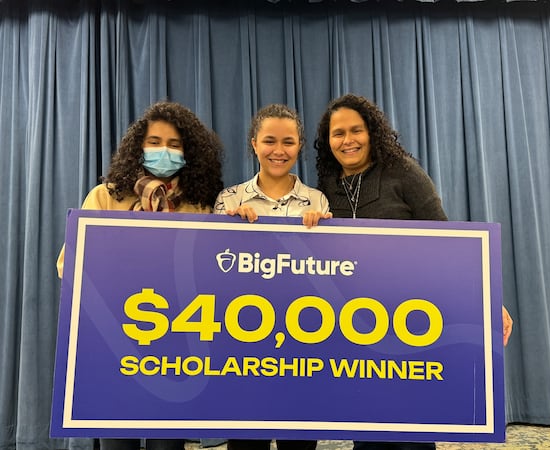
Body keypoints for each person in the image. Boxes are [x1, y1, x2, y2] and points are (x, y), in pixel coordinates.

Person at [314, 93, 514, 450]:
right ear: (327, 141)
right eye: (338, 133)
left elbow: (447, 240)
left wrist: (485, 299)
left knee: (413, 432)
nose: (348, 140)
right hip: (358, 329)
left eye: (356, 130)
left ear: (372, 132)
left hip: (412, 325)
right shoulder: (324, 188)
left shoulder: (403, 172)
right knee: (369, 432)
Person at [56, 101, 224, 450]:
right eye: (155, 141)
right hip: (115, 342)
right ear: (138, 147)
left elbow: (213, 269)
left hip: (177, 347)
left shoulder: (200, 204)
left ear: (188, 152)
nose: (164, 150)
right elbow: (69, 265)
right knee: (118, 441)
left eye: (175, 145)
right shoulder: (106, 196)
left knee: (168, 445)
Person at [214, 103, 331, 450]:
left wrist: (326, 231)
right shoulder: (229, 199)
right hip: (244, 342)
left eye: (288, 142)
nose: (278, 151)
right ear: (253, 144)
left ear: (299, 146)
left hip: (303, 340)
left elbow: (335, 273)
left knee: (299, 442)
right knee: (247, 441)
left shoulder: (318, 200)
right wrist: (228, 228)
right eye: (269, 141)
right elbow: (214, 271)